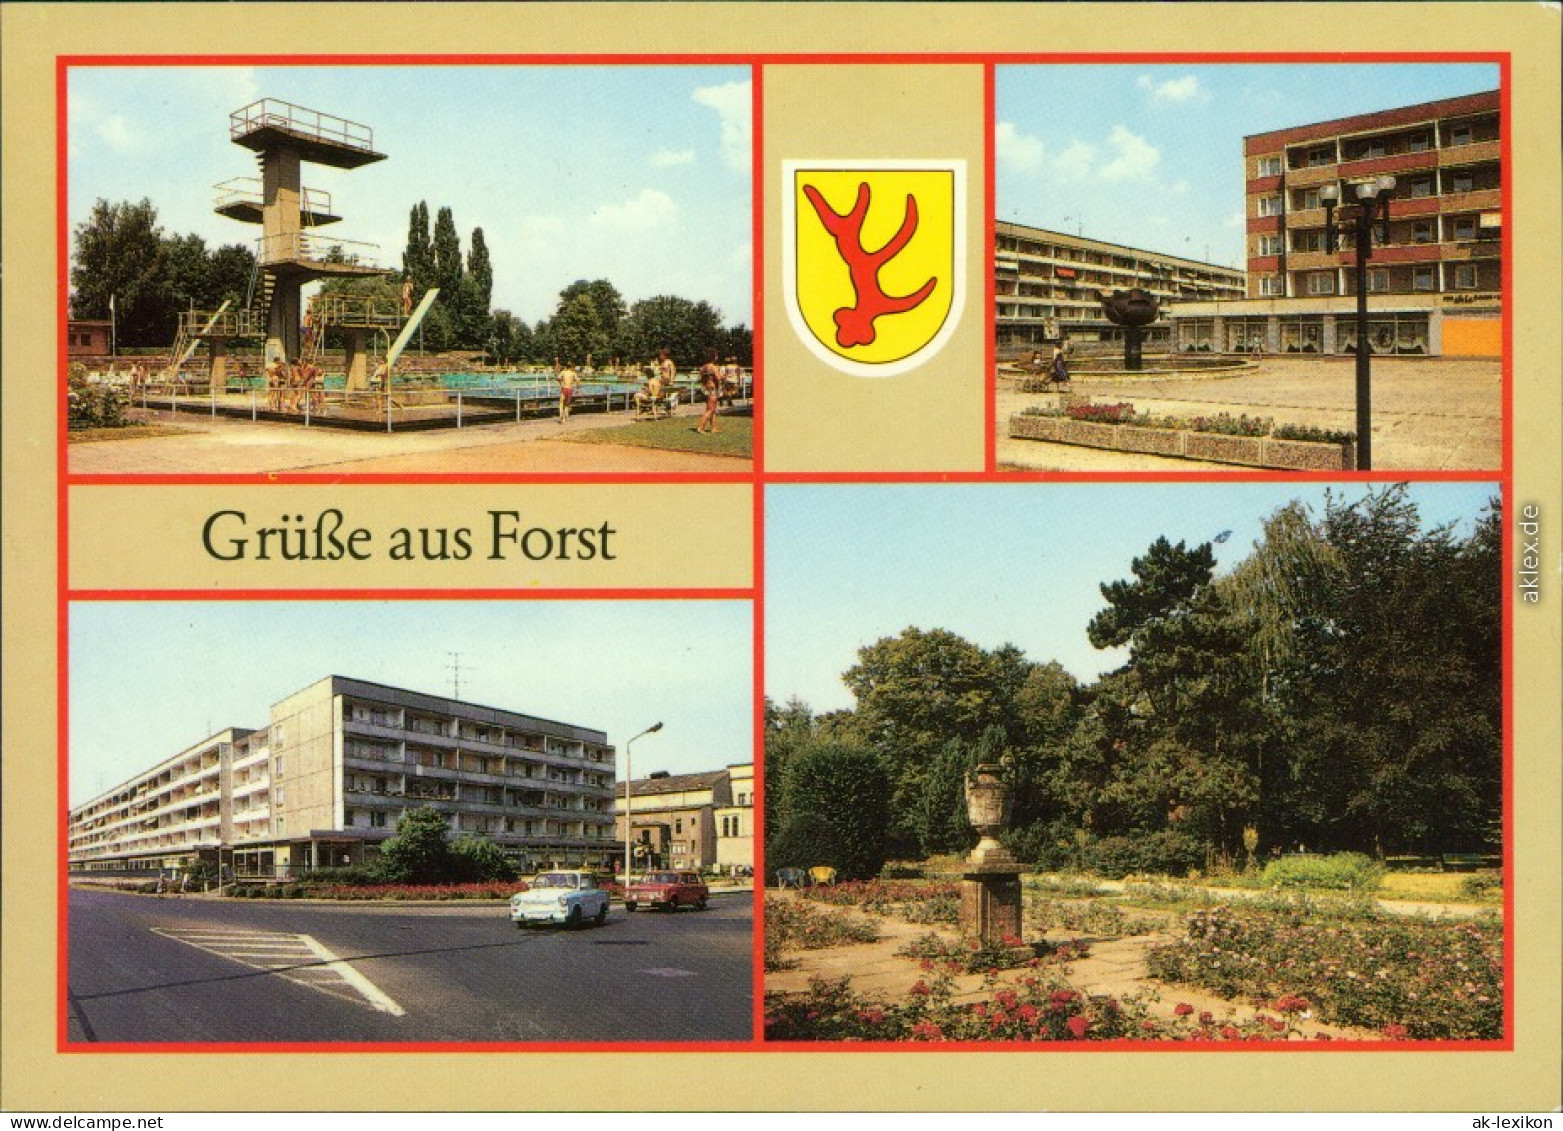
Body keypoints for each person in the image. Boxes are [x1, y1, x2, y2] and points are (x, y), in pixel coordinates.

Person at [696, 355, 721, 434]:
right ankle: (701, 427)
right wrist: (723, 376)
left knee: (712, 409)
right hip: (712, 389)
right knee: (710, 410)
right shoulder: (714, 367)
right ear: (713, 357)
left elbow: (699, 379)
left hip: (706, 389)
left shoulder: (703, 367)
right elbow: (718, 378)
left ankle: (713, 428)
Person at [557, 358, 579, 423]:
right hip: (570, 389)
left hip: (564, 388)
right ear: (571, 367)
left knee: (561, 403)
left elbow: (558, 378)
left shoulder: (563, 372)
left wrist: (561, 384)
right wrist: (577, 389)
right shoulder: (573, 373)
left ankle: (561, 416)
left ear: (566, 367)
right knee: (567, 404)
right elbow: (578, 381)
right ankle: (565, 418)